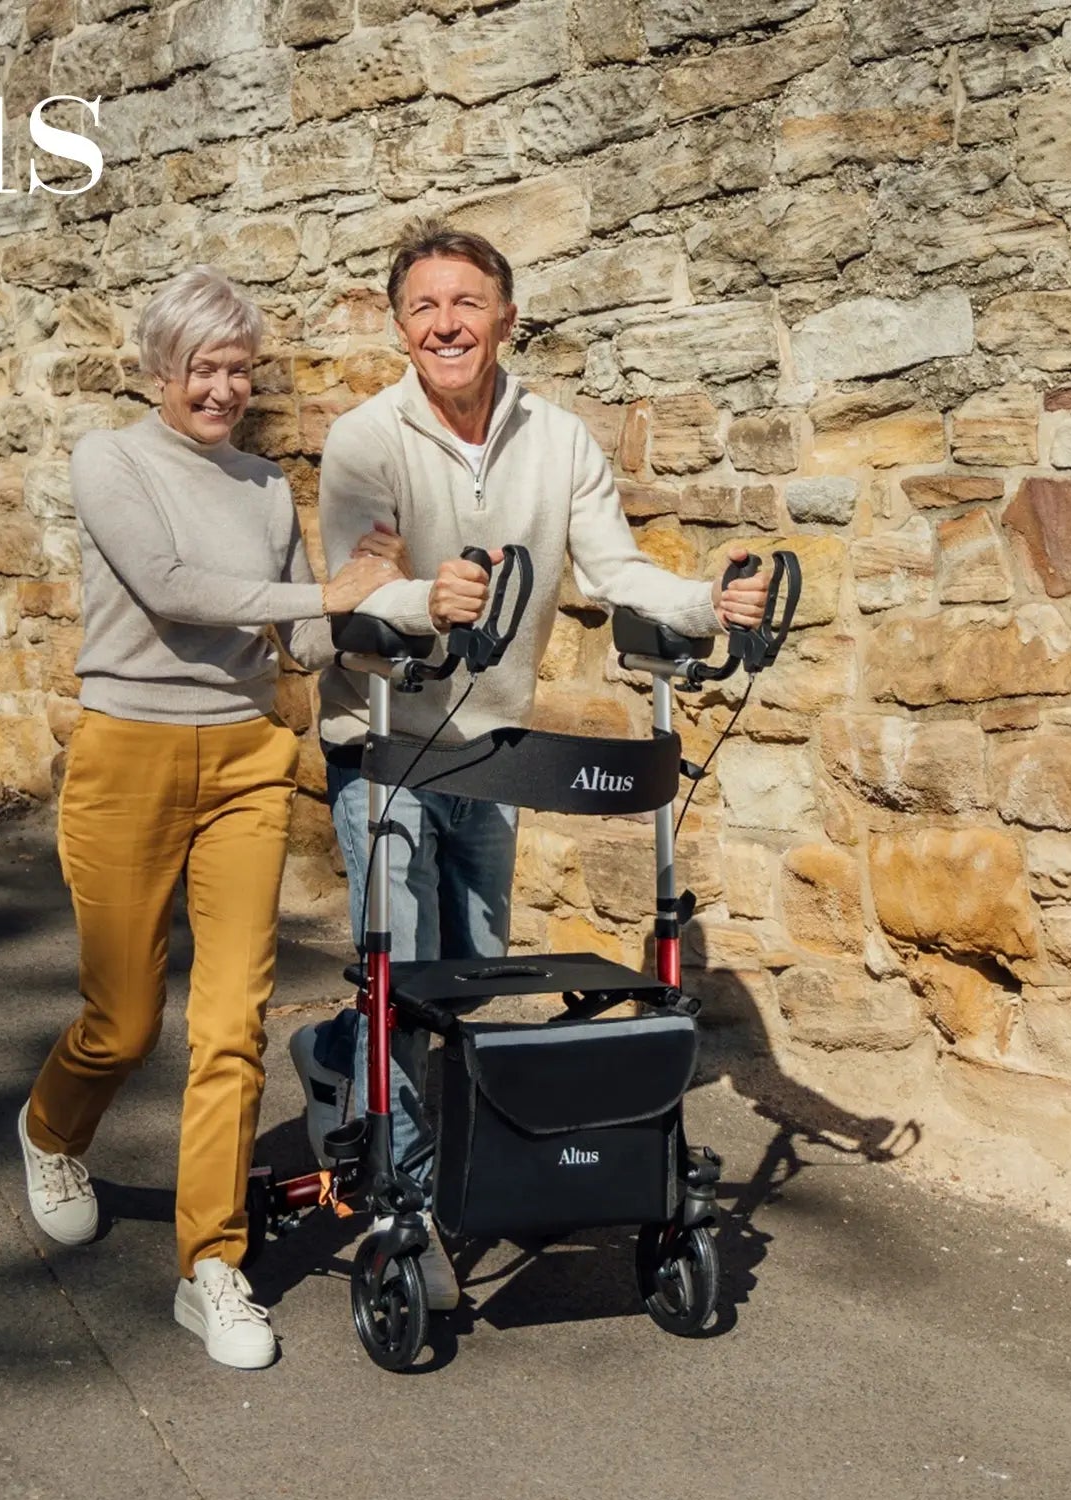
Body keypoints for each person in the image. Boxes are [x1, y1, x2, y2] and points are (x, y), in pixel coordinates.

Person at [290, 221, 772, 1310]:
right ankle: (407, 1194)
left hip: (492, 749)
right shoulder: (367, 440)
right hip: (385, 740)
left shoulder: (557, 440)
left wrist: (708, 604)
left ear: (507, 317)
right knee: (408, 970)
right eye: (424, 307)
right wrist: (424, 601)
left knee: (475, 968)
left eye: (467, 303)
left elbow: (615, 567)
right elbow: (353, 591)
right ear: (398, 325)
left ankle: (334, 1052)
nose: (446, 323)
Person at [17, 265, 403, 1370]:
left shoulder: (265, 487)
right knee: (123, 1021)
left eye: (239, 369)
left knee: (231, 1023)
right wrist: (320, 597)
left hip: (243, 761)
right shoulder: (112, 459)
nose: (225, 389)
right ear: (158, 370)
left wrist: (382, 596)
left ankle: (210, 1266)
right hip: (126, 754)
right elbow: (171, 585)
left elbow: (307, 644)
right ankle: (51, 1133)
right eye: (205, 369)